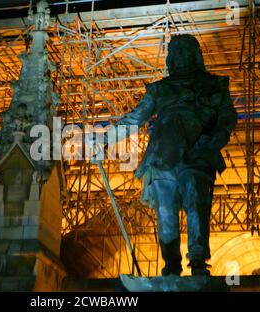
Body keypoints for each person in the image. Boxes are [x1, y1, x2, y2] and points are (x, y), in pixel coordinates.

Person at [101, 34, 237, 276]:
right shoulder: (160, 89)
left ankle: (197, 261)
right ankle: (171, 267)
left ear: (196, 55)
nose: (182, 56)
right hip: (162, 156)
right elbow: (135, 119)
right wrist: (103, 139)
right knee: (166, 215)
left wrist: (216, 139)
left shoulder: (214, 84)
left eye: (187, 51)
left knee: (196, 202)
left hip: (197, 153)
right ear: (171, 58)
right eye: (177, 52)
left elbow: (227, 117)